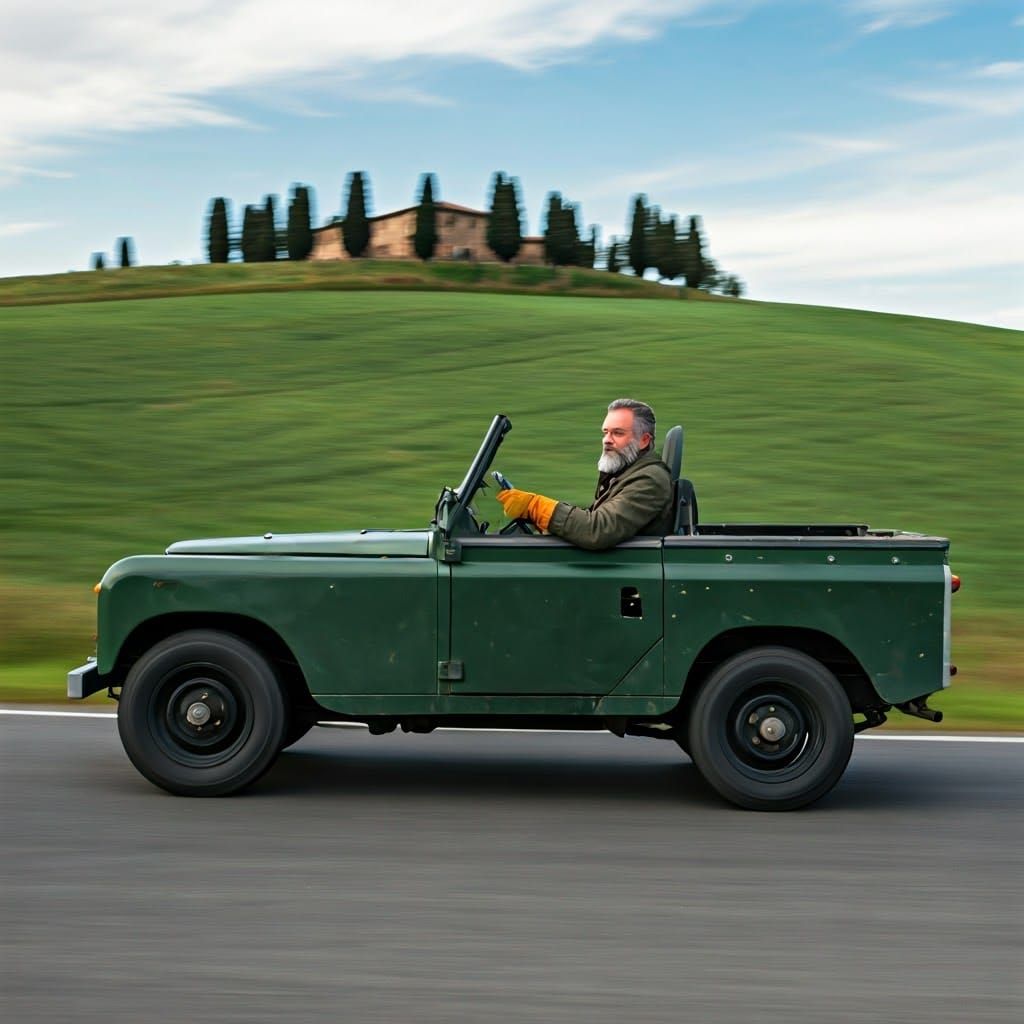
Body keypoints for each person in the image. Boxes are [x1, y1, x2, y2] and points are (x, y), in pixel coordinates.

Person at [495, 398, 674, 550]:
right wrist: (540, 520)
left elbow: (597, 530)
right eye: (605, 432)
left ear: (644, 440)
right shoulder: (625, 474)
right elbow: (590, 519)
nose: (607, 440)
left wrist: (537, 507)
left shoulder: (650, 479)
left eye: (617, 433)